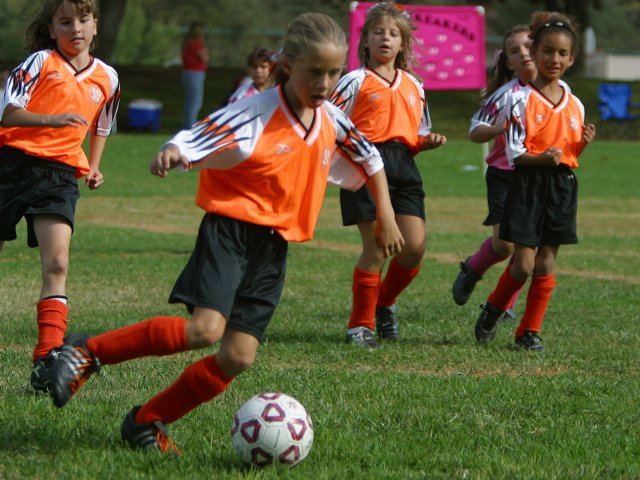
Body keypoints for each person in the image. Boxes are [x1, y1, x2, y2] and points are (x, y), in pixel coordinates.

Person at [50, 13, 403, 453]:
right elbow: (203, 132)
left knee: (237, 356)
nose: (325, 82)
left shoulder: (331, 119)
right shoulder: (258, 111)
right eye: (315, 71)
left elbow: (370, 158)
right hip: (231, 231)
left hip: (273, 245)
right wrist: (174, 150)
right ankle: (88, 351)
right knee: (204, 329)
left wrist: (385, 213)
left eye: (333, 72)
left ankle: (146, 421)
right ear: (288, 65)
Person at [0, 0, 119, 393]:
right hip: (11, 164)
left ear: (95, 26)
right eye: (65, 22)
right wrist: (51, 119)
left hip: (60, 173)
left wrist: (94, 166)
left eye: (83, 20)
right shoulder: (38, 63)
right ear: (52, 29)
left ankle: (46, 358)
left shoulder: (109, 78)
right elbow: (7, 113)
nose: (75, 28)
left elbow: (101, 123)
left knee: (57, 262)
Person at [474, 11, 596, 351]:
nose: (553, 59)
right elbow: (515, 155)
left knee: (546, 261)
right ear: (535, 53)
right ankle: (494, 308)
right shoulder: (520, 99)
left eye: (561, 53)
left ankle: (528, 332)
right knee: (524, 264)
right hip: (527, 183)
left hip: (561, 187)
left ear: (571, 59)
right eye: (546, 51)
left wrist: (581, 143)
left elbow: (570, 157)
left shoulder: (575, 104)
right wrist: (542, 158)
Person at [330, 2, 446, 349]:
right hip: (365, 165)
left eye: (393, 33)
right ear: (364, 40)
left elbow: (415, 133)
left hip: (404, 168)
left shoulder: (414, 86)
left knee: (414, 248)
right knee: (377, 248)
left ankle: (384, 302)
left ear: (403, 44)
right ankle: (359, 327)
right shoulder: (354, 80)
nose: (385, 38)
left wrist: (426, 141)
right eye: (378, 32)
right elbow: (329, 121)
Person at [451, 25, 537, 315]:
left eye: (529, 46)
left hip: (537, 177)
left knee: (527, 245)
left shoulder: (557, 92)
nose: (524, 54)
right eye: (515, 51)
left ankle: (505, 304)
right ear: (508, 61)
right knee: (504, 245)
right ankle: (472, 270)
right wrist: (500, 127)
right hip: (504, 175)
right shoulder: (505, 95)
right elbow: (475, 131)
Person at [181, 21, 209, 128]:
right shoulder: (197, 43)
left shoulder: (187, 42)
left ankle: (188, 123)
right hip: (195, 74)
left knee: (189, 101)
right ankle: (191, 125)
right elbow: (205, 57)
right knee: (195, 102)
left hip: (187, 73)